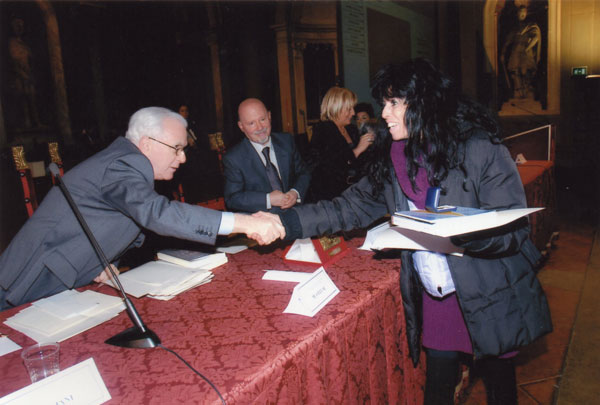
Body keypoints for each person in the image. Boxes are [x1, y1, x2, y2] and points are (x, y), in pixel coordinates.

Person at [259, 59, 552, 404]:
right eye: (384, 102)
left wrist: (457, 232)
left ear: (425, 103)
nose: (384, 113)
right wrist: (283, 222)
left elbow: (514, 229)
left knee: (501, 388)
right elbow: (346, 207)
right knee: (437, 390)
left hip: (487, 289)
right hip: (439, 294)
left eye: (394, 103)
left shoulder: (478, 148)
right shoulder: (394, 154)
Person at [0, 107, 284, 311]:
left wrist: (101, 261)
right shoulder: (123, 163)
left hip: (61, 276)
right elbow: (157, 213)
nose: (182, 158)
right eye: (176, 148)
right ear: (147, 144)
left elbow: (106, 220)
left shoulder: (126, 164)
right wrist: (245, 223)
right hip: (29, 279)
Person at [223, 98, 311, 214]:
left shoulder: (286, 141)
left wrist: (295, 192)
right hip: (262, 223)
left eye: (262, 119)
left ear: (269, 116)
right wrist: (268, 199)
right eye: (251, 123)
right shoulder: (233, 158)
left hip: (296, 214)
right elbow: (232, 198)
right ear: (241, 126)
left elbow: (303, 173)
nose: (260, 127)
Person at [306, 87, 373, 202]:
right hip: (331, 195)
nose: (353, 113)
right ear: (336, 108)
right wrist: (357, 150)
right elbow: (330, 167)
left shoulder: (351, 129)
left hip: (353, 189)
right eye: (349, 109)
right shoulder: (324, 130)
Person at [500, 6, 542, 99]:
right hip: (515, 51)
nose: (522, 14)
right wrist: (502, 53)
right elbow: (507, 42)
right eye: (520, 12)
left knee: (526, 72)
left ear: (526, 14)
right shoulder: (514, 29)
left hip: (526, 52)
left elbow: (536, 37)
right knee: (515, 72)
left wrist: (528, 48)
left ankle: (527, 91)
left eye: (524, 12)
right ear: (517, 14)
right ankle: (518, 91)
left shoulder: (530, 26)